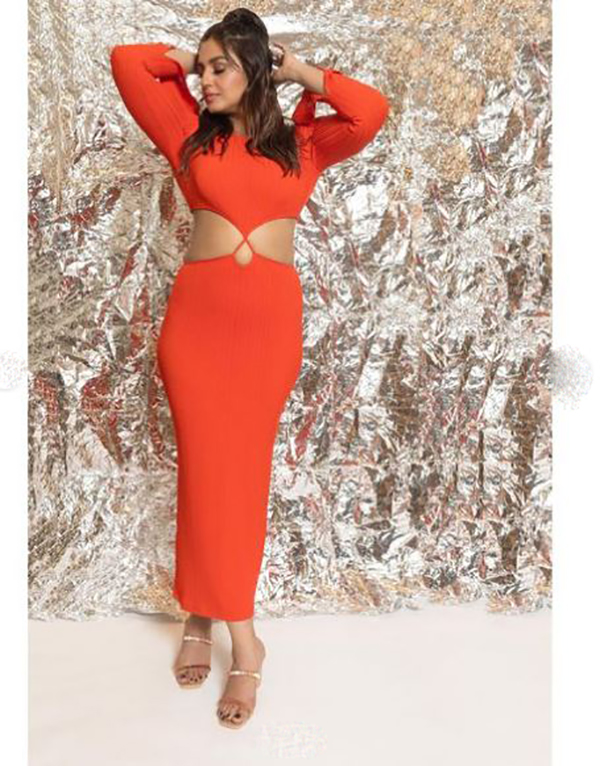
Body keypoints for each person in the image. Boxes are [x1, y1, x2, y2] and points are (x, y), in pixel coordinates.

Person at [110, 7, 389, 729]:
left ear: (256, 71)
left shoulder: (304, 142)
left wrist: (293, 69)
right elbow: (128, 62)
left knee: (241, 477)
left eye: (220, 68)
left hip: (266, 330)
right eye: (203, 68)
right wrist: (193, 57)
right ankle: (233, 633)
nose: (205, 80)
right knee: (204, 474)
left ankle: (211, 618)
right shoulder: (186, 131)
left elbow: (370, 111)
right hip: (196, 328)